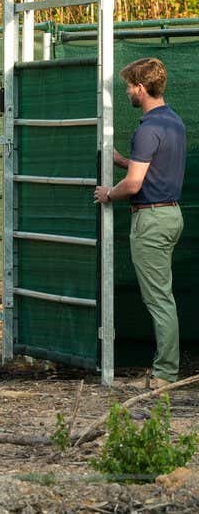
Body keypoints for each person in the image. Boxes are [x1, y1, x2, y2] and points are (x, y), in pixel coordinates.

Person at [94, 57, 185, 389]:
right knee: (164, 295)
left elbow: (133, 185)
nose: (128, 92)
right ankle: (165, 370)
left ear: (141, 89)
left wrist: (108, 193)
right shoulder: (173, 122)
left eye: (130, 86)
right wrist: (122, 161)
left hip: (151, 220)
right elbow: (150, 170)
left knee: (159, 299)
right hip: (171, 214)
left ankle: (164, 375)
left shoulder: (147, 130)